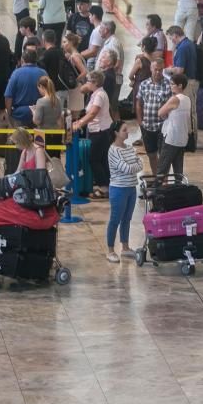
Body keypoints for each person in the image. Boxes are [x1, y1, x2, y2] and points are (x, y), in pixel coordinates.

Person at [106, 123, 143, 263]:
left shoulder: (130, 148)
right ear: (116, 133)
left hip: (131, 188)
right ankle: (110, 250)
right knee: (115, 220)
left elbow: (140, 164)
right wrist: (133, 166)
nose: (128, 132)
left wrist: (132, 166)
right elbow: (126, 168)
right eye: (124, 130)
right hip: (118, 190)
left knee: (127, 219)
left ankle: (125, 247)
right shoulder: (113, 150)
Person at [72, 70, 112, 199]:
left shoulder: (99, 95)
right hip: (100, 130)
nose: (87, 83)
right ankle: (106, 184)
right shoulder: (96, 93)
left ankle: (103, 187)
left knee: (94, 159)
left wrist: (80, 124)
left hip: (100, 131)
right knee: (101, 159)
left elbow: (93, 113)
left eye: (88, 81)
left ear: (94, 82)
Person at [156, 73, 191, 177]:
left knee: (162, 168)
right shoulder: (187, 99)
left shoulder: (175, 99)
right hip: (182, 139)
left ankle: (156, 191)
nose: (170, 86)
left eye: (172, 84)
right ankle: (178, 189)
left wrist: (165, 115)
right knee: (178, 170)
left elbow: (160, 113)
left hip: (171, 138)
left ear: (180, 85)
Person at [4, 49, 44, 128]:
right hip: (39, 113)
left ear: (22, 60)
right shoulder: (43, 73)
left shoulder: (16, 73)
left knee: (20, 139)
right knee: (38, 139)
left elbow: (8, 96)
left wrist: (9, 113)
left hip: (20, 114)